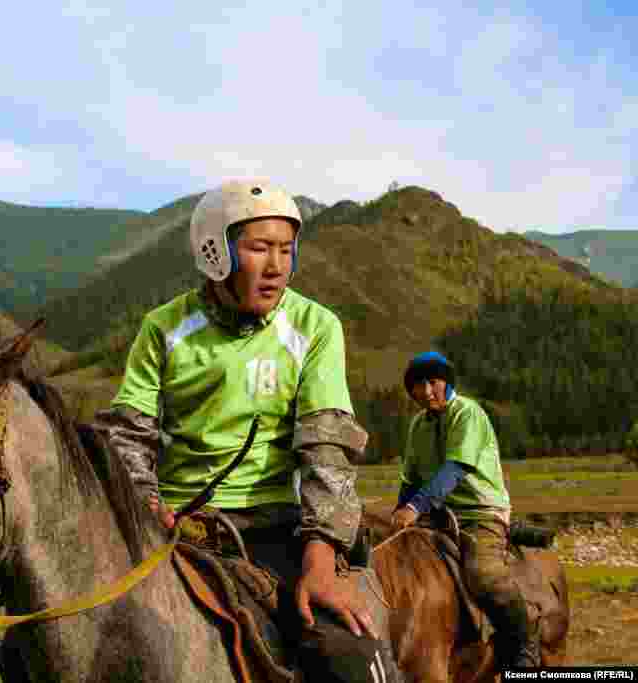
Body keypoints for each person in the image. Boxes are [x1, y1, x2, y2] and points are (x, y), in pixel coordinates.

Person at [94, 180, 402, 683]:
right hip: (173, 527)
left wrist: (321, 559)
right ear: (214, 252)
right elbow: (128, 435)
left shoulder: (315, 326)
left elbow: (327, 448)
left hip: (274, 529)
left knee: (350, 655)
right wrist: (146, 505)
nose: (276, 265)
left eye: (286, 249)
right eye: (259, 248)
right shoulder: (163, 328)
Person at [392, 351, 540, 668]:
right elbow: (411, 478)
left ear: (446, 383)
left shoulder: (467, 413)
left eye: (433, 382)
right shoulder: (418, 424)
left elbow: (455, 468)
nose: (426, 391)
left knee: (483, 575)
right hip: (437, 515)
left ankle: (524, 643)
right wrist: (399, 511)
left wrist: (414, 507)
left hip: (478, 513)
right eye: (418, 385)